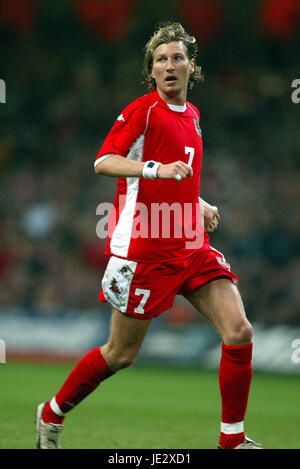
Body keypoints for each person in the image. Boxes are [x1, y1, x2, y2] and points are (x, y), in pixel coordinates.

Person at [36, 22, 261, 450]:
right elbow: (103, 161)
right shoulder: (142, 112)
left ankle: (231, 439)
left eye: (177, 58)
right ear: (151, 71)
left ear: (192, 67)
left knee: (240, 331)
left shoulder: (193, 116)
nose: (170, 65)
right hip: (143, 251)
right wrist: (154, 168)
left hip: (189, 244)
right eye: (161, 60)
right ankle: (52, 412)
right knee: (119, 355)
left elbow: (180, 179)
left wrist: (199, 203)